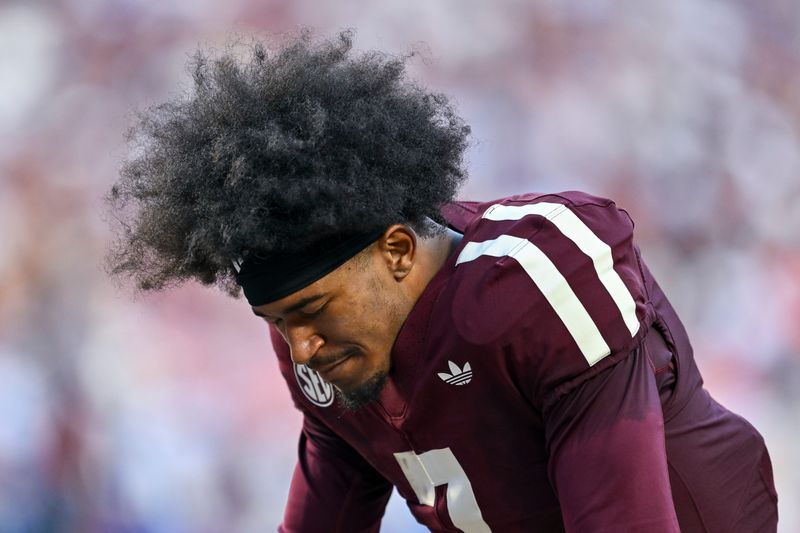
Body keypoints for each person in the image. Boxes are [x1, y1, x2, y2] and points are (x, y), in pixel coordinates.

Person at [107, 31, 778, 532]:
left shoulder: (534, 283)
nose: (299, 345)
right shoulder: (321, 350)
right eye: (279, 320)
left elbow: (619, 519)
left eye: (312, 309)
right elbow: (329, 503)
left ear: (397, 249)